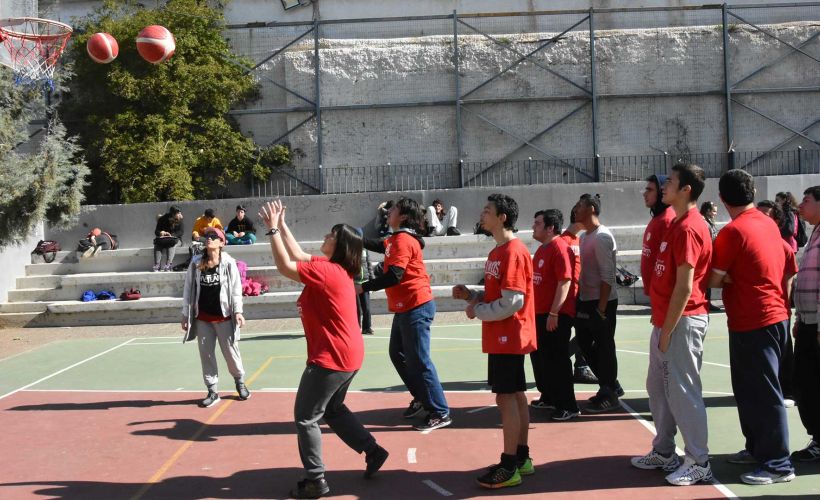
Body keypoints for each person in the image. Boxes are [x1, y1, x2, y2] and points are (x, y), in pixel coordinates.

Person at [259, 200, 389, 498]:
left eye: (331, 234)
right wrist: (282, 224)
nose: (326, 236)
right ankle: (372, 450)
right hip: (349, 354)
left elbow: (285, 266)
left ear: (339, 245)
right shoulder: (335, 269)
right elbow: (299, 255)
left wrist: (273, 230)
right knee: (332, 409)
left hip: (332, 357)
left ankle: (315, 480)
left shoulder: (328, 272)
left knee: (306, 417)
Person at [709, 169, 796, 485]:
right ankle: (759, 449)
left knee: (764, 392)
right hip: (769, 317)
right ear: (753, 192)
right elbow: (788, 262)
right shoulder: (767, 223)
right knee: (748, 390)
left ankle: (779, 464)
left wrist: (729, 277)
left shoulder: (733, 232)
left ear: (722, 198)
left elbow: (713, 278)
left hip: (756, 320)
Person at [630, 163, 713, 486]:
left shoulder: (689, 227)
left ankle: (699, 461)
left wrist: (667, 330)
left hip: (682, 321)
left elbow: (684, 286)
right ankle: (664, 450)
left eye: (672, 182)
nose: (665, 185)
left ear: (686, 189)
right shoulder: (675, 224)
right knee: (658, 387)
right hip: (665, 320)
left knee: (683, 392)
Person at [452, 194, 536, 489]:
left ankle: (509, 465)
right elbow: (498, 295)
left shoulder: (513, 251)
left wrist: (478, 310)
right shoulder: (498, 252)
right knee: (516, 395)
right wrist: (473, 296)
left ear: (502, 217)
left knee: (506, 398)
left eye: (487, 210)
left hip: (508, 335)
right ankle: (521, 458)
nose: (482, 214)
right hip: (505, 335)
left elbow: (513, 301)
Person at [356, 197, 451, 432]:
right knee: (398, 353)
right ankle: (421, 397)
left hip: (416, 305)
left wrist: (363, 287)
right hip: (406, 306)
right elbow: (378, 245)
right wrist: (352, 237)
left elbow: (394, 276)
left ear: (405, 216)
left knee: (419, 360)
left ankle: (440, 411)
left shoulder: (402, 241)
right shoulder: (395, 240)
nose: (389, 211)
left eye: (394, 209)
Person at [181, 227, 250, 408]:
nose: (209, 239)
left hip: (224, 317)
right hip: (203, 318)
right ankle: (212, 390)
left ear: (221, 242)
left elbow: (236, 290)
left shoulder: (228, 263)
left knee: (231, 354)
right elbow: (188, 289)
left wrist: (238, 311)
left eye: (213, 236)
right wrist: (185, 314)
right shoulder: (196, 262)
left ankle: (240, 382)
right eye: (207, 236)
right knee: (207, 355)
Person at [529, 208, 580, 421]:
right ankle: (549, 396)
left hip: (555, 315)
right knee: (543, 358)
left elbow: (565, 282)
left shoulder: (560, 248)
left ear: (550, 228)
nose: (533, 226)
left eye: (538, 223)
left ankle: (568, 405)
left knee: (557, 360)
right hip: (541, 313)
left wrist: (554, 312)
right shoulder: (543, 249)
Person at [574, 193, 621, 413]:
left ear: (591, 208)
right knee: (584, 344)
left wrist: (601, 309)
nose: (575, 209)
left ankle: (609, 392)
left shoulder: (602, 237)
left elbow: (607, 276)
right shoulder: (584, 237)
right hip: (586, 300)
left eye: (580, 205)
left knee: (604, 347)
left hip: (602, 303)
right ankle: (609, 384)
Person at [791, 186, 820, 463]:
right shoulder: (814, 234)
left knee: (813, 383)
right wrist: (800, 318)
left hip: (817, 326)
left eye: (807, 200)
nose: (801, 205)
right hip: (808, 323)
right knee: (806, 383)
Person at [561, 203, 598, 385]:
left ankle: (580, 366)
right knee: (585, 333)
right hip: (567, 300)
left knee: (587, 332)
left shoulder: (581, 239)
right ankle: (560, 358)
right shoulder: (563, 241)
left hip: (581, 296)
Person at [641, 175, 675, 298]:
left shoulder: (667, 220)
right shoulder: (658, 217)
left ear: (661, 192)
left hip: (663, 295)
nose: (644, 194)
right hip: (656, 294)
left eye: (650, 190)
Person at [700, 201, 720, 312]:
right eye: (714, 211)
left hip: (709, 256)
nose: (715, 214)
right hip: (705, 257)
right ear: (708, 211)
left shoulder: (709, 222)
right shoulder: (704, 223)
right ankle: (705, 303)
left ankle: (707, 302)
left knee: (707, 281)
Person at [355, 227, 374, 335]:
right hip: (354, 283)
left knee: (366, 307)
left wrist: (372, 279)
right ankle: (356, 327)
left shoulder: (365, 250)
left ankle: (367, 327)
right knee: (357, 308)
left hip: (365, 282)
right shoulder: (350, 250)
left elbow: (369, 265)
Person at [153, 206, 184, 272]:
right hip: (163, 239)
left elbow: (181, 232)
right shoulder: (162, 219)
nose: (180, 214)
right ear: (173, 213)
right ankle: (157, 265)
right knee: (157, 245)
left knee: (171, 244)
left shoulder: (179, 219)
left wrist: (172, 235)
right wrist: (161, 232)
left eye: (180, 213)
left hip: (175, 240)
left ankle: (168, 265)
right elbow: (156, 231)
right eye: (178, 213)